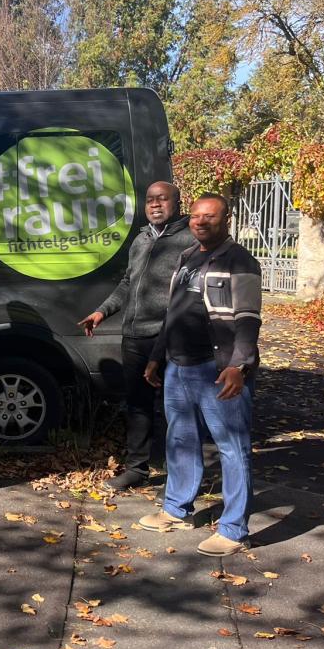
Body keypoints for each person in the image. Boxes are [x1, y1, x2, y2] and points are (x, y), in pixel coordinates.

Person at [138, 194, 261, 556]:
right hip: (178, 367)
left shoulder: (240, 260)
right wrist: (157, 356)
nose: (200, 221)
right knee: (180, 441)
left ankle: (234, 530)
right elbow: (173, 313)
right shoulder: (188, 256)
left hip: (218, 369)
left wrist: (239, 367)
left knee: (232, 448)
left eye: (210, 217)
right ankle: (177, 509)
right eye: (195, 216)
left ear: (226, 220)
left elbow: (248, 319)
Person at [78, 181, 195, 490]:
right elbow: (128, 283)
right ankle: (136, 469)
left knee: (177, 409)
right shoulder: (141, 239)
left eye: (163, 199)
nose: (155, 204)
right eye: (150, 200)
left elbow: (188, 296)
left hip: (170, 339)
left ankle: (180, 477)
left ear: (177, 202)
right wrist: (102, 311)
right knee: (138, 407)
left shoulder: (190, 240)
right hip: (134, 336)